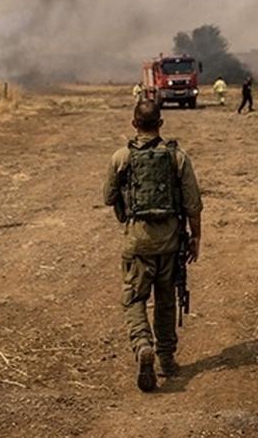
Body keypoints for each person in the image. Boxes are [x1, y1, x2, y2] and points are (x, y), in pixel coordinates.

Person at [103, 100, 202, 392]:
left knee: (134, 299)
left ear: (134, 124)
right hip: (170, 242)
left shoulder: (121, 157)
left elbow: (108, 197)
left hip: (137, 241)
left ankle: (143, 344)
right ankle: (167, 359)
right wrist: (196, 237)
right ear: (160, 124)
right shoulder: (177, 158)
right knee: (166, 300)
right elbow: (193, 204)